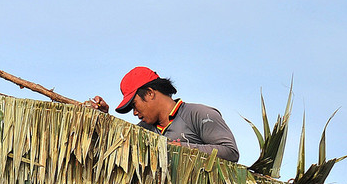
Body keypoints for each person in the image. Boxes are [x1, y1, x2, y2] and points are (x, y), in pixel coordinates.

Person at [86, 66, 240, 161]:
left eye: (134, 105)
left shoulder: (199, 114)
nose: (134, 113)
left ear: (150, 93)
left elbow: (231, 152)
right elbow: (117, 148)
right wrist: (102, 119)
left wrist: (180, 148)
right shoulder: (144, 130)